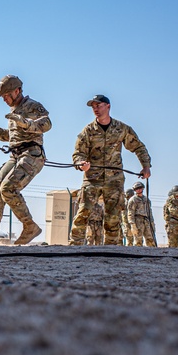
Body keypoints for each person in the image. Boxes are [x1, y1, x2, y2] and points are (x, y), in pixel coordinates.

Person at [0, 75, 50, 245]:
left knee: (8, 188)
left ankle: (30, 226)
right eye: (3, 97)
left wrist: (25, 123)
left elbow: (46, 124)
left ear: (17, 91)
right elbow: (13, 137)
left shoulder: (32, 106)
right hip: (16, 155)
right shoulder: (14, 111)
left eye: (8, 95)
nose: (5, 99)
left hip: (32, 154)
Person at [69, 95, 151, 246]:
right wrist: (80, 163)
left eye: (98, 106)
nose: (95, 109)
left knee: (113, 217)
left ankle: (110, 250)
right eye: (93, 107)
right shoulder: (88, 131)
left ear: (108, 106)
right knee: (83, 213)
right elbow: (78, 153)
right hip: (92, 179)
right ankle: (74, 247)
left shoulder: (121, 129)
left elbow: (138, 147)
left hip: (114, 180)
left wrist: (146, 166)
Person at [126, 181, 156, 246]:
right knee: (138, 241)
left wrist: (152, 222)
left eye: (140, 188)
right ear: (135, 190)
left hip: (147, 220)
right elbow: (130, 212)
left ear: (143, 188)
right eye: (137, 189)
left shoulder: (146, 199)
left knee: (150, 239)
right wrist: (132, 224)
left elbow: (149, 211)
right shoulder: (133, 200)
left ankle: (152, 254)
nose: (139, 190)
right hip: (138, 221)